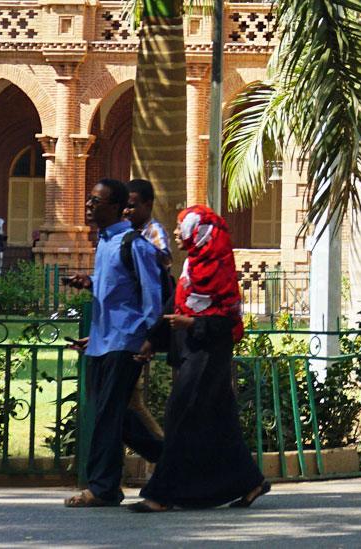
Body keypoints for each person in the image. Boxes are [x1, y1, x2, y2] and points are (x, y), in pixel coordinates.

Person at [128, 205, 269, 512]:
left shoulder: (219, 270)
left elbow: (226, 321)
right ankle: (250, 482)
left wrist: (193, 324)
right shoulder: (194, 265)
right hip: (190, 354)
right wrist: (153, 339)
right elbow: (174, 305)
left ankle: (161, 495)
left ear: (198, 231)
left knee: (179, 419)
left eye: (182, 227)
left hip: (207, 360)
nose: (176, 232)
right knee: (219, 425)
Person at [62, 179, 165, 507]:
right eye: (90, 199)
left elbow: (152, 294)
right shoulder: (105, 243)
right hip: (102, 342)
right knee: (112, 414)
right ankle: (175, 458)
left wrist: (151, 337)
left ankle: (103, 487)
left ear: (117, 207)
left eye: (97, 201)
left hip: (127, 342)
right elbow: (116, 292)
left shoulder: (134, 244)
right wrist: (90, 285)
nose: (90, 206)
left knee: (108, 414)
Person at [122, 179, 173, 440]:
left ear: (148, 205)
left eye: (132, 206)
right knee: (129, 401)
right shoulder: (123, 235)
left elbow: (163, 262)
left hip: (140, 326)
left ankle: (163, 456)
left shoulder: (151, 232)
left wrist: (140, 252)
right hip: (127, 325)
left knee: (130, 400)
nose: (126, 211)